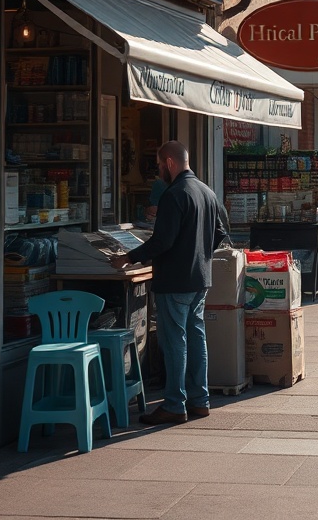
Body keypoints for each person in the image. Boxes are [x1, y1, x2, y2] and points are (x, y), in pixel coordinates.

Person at [110, 140, 227, 426]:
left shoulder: (174, 194)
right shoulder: (207, 192)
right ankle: (200, 400)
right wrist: (200, 254)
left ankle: (175, 404)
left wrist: (129, 257)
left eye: (160, 165)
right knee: (196, 338)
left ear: (170, 163)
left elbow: (162, 242)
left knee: (175, 343)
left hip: (175, 280)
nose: (159, 171)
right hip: (200, 278)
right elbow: (221, 232)